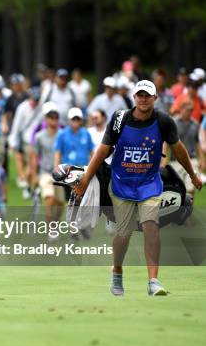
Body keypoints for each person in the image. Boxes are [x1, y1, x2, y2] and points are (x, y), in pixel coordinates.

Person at [74, 80, 203, 296]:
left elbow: (178, 150)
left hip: (149, 184)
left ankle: (153, 281)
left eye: (147, 95)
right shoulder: (119, 119)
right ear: (134, 97)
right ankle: (116, 270)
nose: (143, 99)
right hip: (121, 184)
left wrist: (192, 175)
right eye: (140, 95)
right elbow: (102, 151)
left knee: (151, 226)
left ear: (155, 98)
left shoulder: (163, 121)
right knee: (123, 234)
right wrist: (86, 179)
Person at [31, 103, 65, 222]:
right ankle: (51, 229)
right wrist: (34, 175)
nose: (53, 120)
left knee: (60, 203)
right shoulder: (39, 136)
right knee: (49, 200)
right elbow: (34, 156)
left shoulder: (63, 135)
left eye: (55, 118)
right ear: (46, 119)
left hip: (60, 173)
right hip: (45, 172)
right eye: (51, 117)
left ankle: (54, 223)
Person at [166, 101, 203, 197]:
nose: (189, 112)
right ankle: (180, 211)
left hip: (192, 160)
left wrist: (202, 159)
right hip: (176, 160)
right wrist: (164, 158)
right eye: (187, 110)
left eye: (191, 110)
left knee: (190, 188)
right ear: (181, 110)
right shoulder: (173, 122)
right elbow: (166, 142)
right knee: (177, 190)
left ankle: (188, 211)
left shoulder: (195, 124)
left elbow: (197, 142)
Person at [8, 90, 40, 199]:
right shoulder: (22, 108)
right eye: (33, 100)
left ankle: (28, 186)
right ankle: (27, 186)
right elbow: (17, 124)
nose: (34, 103)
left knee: (33, 165)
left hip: (37, 141)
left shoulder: (40, 108)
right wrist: (13, 140)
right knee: (31, 165)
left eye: (36, 101)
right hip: (26, 140)